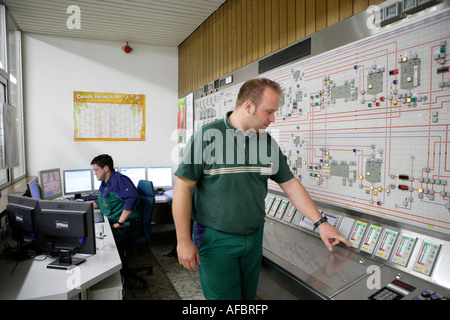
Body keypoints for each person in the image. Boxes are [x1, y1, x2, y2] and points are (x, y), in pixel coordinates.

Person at [172, 78, 350, 300]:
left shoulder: (266, 143)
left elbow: (290, 184)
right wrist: (183, 240)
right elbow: (183, 188)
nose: (273, 118)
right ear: (249, 106)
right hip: (215, 238)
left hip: (253, 237)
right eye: (269, 111)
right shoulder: (207, 137)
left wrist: (321, 223)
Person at [90, 154, 140, 229]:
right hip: (110, 221)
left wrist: (119, 223)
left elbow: (132, 198)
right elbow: (102, 202)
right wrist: (85, 206)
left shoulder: (120, 180)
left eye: (96, 170)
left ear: (106, 168)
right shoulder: (105, 182)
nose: (95, 173)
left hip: (123, 228)